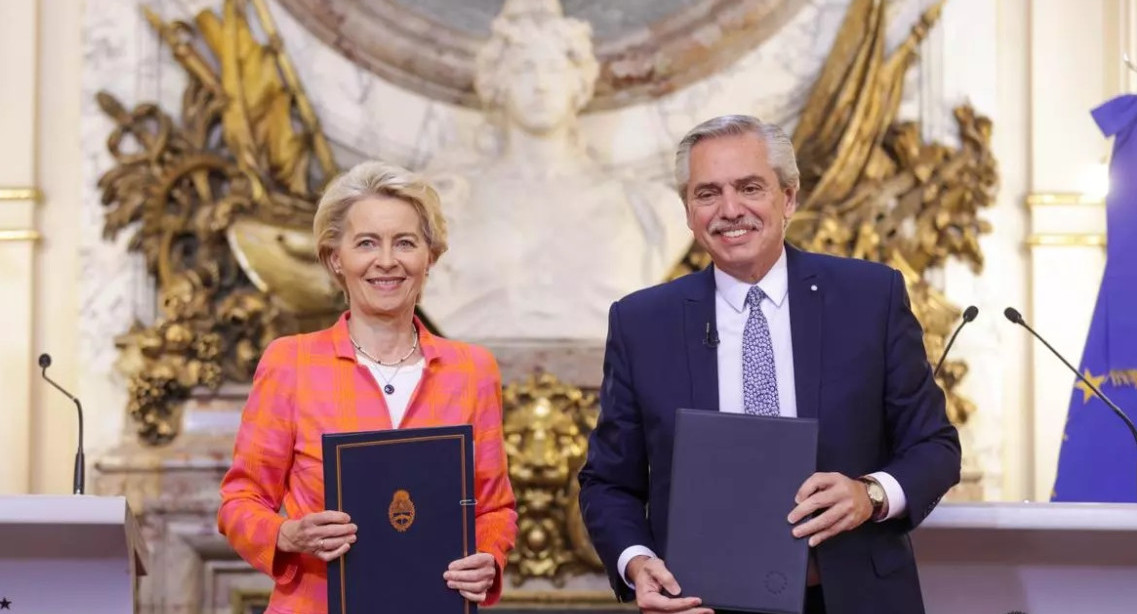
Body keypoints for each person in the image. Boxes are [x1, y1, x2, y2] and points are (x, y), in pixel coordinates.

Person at [577, 115, 961, 614]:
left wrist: (870, 493)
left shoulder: (870, 297)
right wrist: (636, 560)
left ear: (789, 198)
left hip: (856, 597)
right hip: (705, 602)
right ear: (689, 212)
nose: (730, 210)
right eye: (707, 193)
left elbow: (935, 445)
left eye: (750, 187)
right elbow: (608, 483)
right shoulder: (642, 323)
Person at [217, 161, 518, 613]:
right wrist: (285, 534)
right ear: (335, 258)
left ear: (430, 256)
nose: (387, 261)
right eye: (366, 243)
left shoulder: (473, 371)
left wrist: (489, 559)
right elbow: (239, 501)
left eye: (405, 243)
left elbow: (495, 510)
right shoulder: (290, 362)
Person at [419, 0, 690, 340]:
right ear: (498, 84)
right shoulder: (448, 204)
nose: (541, 84)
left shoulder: (648, 208)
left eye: (553, 68)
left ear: (578, 83)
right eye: (524, 69)